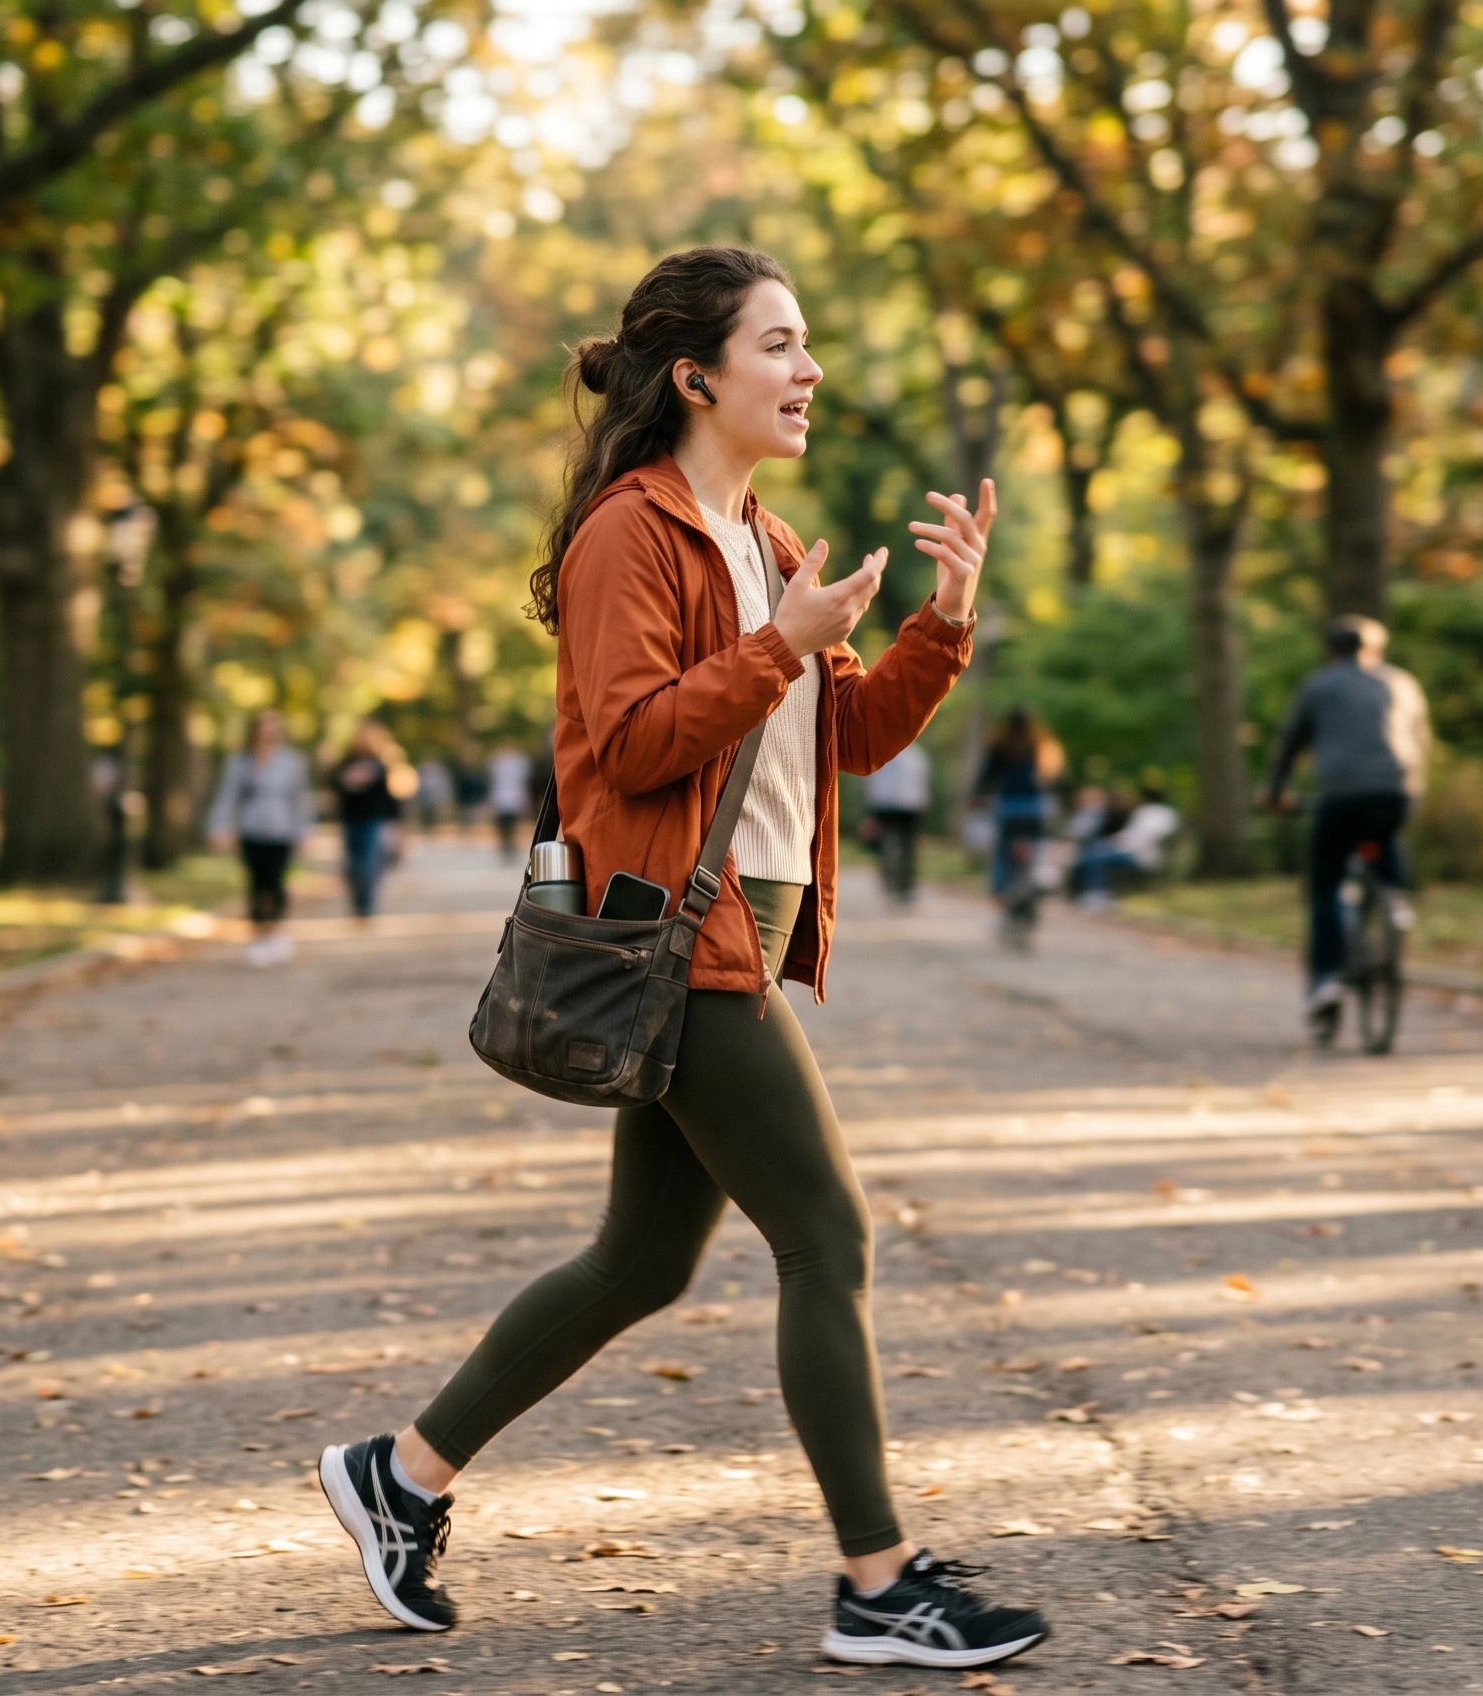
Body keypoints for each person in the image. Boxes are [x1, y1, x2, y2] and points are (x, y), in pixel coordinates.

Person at [311, 247, 1046, 1672]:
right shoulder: (628, 538)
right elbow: (632, 739)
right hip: (673, 933)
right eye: (782, 344)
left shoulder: (768, 543)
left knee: (641, 1261)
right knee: (828, 1237)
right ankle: (881, 1584)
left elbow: (847, 739)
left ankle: (402, 1480)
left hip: (745, 927)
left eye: (810, 343)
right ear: (699, 375)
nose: (810, 370)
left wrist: (940, 622)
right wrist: (780, 647)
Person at [1262, 615, 1432, 1021]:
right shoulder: (1401, 682)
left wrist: (1274, 791)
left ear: (1331, 651)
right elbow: (1421, 739)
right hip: (1395, 791)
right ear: (1375, 649)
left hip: (1341, 795)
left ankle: (1327, 979)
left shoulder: (1319, 685)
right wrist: (1414, 791)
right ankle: (1395, 900)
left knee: (1325, 885)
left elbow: (1291, 741)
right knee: (1383, 841)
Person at [207, 711, 313, 968]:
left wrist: (304, 830)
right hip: (251, 831)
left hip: (281, 831)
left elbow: (300, 799)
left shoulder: (291, 762)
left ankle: (275, 929)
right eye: (262, 728)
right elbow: (227, 796)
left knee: (275, 883)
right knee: (256, 885)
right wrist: (218, 826)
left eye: (272, 728)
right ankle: (258, 936)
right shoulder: (241, 762)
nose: (267, 733)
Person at [975, 708, 1049, 923]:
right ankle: (1034, 889)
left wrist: (977, 795)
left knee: (1002, 858)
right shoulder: (1041, 746)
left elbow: (987, 776)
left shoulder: (1001, 745)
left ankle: (1003, 900)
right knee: (1034, 855)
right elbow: (1054, 778)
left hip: (1008, 808)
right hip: (1034, 809)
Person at [331, 725, 403, 918]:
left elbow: (388, 798)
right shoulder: (345, 763)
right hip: (350, 820)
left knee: (369, 863)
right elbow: (337, 788)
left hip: (373, 820)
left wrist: (394, 825)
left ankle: (366, 904)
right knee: (352, 865)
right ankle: (357, 902)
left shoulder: (379, 765)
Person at [1075, 783, 1181, 909]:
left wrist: (1116, 842)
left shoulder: (1146, 812)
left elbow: (1137, 839)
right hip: (1144, 853)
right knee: (1095, 850)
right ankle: (1094, 893)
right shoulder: (1169, 814)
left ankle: (1097, 894)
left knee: (1095, 855)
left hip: (1140, 856)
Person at [862, 738, 930, 904]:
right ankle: (905, 885)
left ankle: (890, 880)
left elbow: (872, 779)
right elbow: (921, 781)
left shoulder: (882, 751)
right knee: (908, 847)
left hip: (885, 804)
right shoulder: (917, 754)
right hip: (909, 805)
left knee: (886, 842)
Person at [485, 741, 531, 860]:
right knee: (503, 826)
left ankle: (509, 847)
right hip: (503, 798)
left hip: (513, 798)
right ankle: (505, 847)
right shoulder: (499, 762)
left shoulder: (519, 762)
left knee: (511, 825)